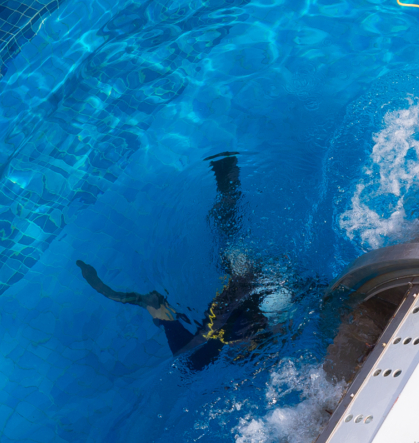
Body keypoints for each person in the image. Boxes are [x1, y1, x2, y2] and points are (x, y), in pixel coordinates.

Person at [76, 151, 276, 370]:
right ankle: (227, 187)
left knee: (232, 248)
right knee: (234, 251)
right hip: (248, 290)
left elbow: (152, 306)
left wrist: (105, 290)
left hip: (241, 295)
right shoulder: (216, 345)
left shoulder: (201, 354)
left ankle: (227, 187)